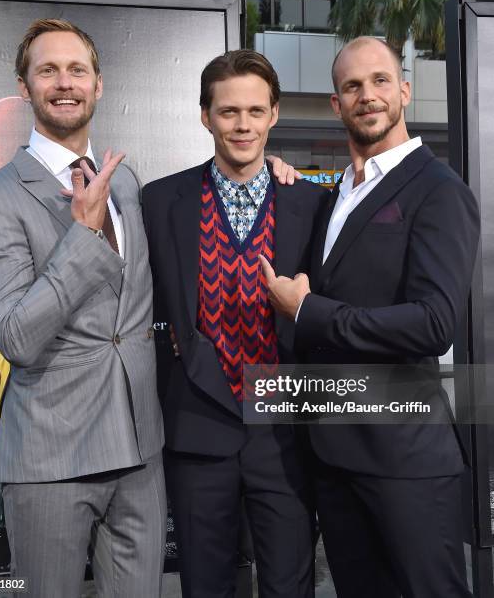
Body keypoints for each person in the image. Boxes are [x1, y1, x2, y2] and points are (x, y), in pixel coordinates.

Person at [261, 36, 480, 598]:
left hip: (405, 460)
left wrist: (310, 311)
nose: (368, 95)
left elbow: (434, 323)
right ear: (336, 104)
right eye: (352, 86)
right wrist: (276, 174)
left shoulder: (439, 191)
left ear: (404, 90)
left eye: (380, 80)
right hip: (334, 457)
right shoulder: (336, 193)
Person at [0, 19, 166, 597]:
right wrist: (82, 234)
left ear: (98, 84)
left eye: (77, 69)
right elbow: (17, 339)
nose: (64, 82)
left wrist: (277, 175)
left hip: (140, 455)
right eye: (47, 70)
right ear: (24, 88)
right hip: (50, 462)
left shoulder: (124, 181)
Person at [141, 50, 327, 598]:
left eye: (254, 110)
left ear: (273, 114)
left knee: (291, 584)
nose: (242, 125)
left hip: (285, 431)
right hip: (197, 424)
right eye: (227, 112)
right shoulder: (159, 200)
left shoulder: (312, 202)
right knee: (205, 584)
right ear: (205, 116)